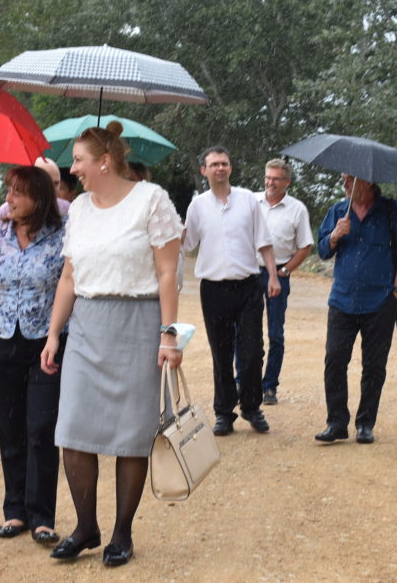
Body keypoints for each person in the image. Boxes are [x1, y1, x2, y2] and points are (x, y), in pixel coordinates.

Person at [40, 123, 182, 568]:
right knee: (73, 429)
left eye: (79, 160)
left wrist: (169, 335)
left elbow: (167, 273)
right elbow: (69, 276)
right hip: (87, 325)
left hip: (139, 322)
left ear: (104, 162)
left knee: (131, 435)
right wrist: (53, 333)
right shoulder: (80, 208)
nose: (72, 169)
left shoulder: (152, 200)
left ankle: (122, 533)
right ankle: (86, 527)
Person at [0, 166, 66, 546]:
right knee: (10, 427)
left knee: (42, 427)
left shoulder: (62, 234)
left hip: (46, 343)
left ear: (39, 197)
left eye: (18, 192)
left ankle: (42, 516)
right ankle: (15, 510)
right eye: (9, 191)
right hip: (0, 341)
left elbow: (71, 286)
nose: (9, 199)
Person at [183, 146, 280, 437]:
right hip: (213, 289)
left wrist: (273, 277)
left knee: (252, 351)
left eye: (224, 163)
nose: (220, 168)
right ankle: (224, 412)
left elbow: (264, 242)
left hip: (248, 285)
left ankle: (251, 406)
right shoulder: (197, 206)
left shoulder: (248, 200)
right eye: (214, 164)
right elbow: (187, 243)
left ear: (231, 167)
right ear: (204, 170)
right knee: (221, 353)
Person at [314, 173, 397, 445]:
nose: (344, 185)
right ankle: (336, 423)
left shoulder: (392, 211)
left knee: (374, 365)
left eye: (349, 180)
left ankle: (365, 424)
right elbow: (322, 251)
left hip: (380, 302)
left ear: (367, 182)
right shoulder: (338, 211)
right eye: (344, 180)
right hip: (342, 300)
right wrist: (335, 235)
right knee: (335, 360)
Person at [251, 158, 313, 405]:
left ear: (287, 182)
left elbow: (305, 246)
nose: (270, 182)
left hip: (278, 273)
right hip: (250, 272)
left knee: (275, 333)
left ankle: (269, 387)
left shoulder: (297, 209)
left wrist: (286, 271)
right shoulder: (251, 202)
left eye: (276, 179)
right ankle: (244, 381)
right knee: (246, 330)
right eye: (267, 177)